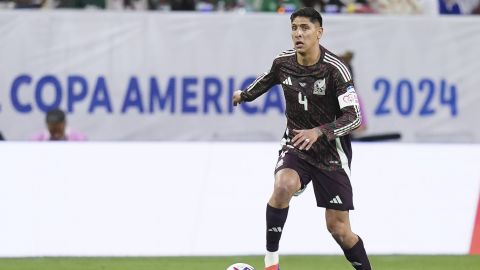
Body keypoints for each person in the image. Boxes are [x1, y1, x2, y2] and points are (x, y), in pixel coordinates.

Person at [232, 7, 372, 270]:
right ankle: (271, 261)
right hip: (296, 144)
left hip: (331, 154)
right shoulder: (283, 62)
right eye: (294, 28)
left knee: (339, 229)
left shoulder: (336, 70)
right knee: (284, 184)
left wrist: (319, 131)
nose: (298, 33)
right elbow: (265, 80)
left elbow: (353, 118)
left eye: (305, 28)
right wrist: (244, 95)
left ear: (319, 33)